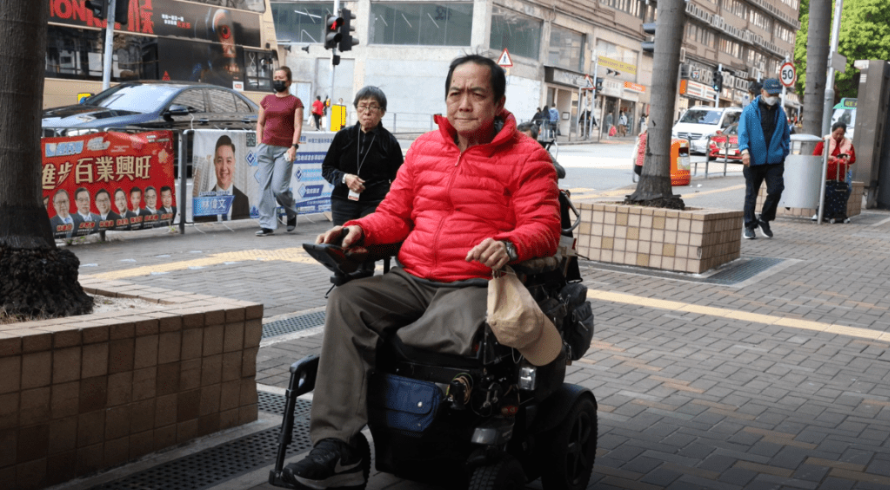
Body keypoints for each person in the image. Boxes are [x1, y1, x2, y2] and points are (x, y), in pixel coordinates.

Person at [282, 54, 560, 490]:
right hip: (414, 279)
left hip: (475, 282)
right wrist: (359, 229)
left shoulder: (528, 157)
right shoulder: (425, 149)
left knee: (425, 335)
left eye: (477, 94)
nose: (463, 104)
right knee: (348, 301)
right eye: (455, 93)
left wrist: (509, 244)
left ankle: (439, 432)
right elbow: (394, 213)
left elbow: (544, 227)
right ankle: (339, 447)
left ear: (499, 103)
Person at [321, 85, 404, 270]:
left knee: (364, 251)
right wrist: (345, 178)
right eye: (362, 106)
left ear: (382, 112)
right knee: (342, 247)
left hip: (374, 203)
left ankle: (363, 281)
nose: (367, 111)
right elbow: (327, 168)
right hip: (343, 200)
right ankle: (343, 281)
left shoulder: (389, 142)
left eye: (373, 106)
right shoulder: (343, 136)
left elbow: (399, 179)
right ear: (356, 109)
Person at [738, 78, 791, 239]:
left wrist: (783, 152)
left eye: (776, 94)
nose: (773, 97)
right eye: (770, 94)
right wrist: (744, 151)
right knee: (751, 194)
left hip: (774, 160)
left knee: (776, 190)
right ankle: (749, 225)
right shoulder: (749, 111)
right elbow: (743, 133)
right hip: (753, 159)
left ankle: (764, 218)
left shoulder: (780, 113)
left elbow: (786, 135)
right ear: (762, 92)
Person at [254, 66, 303, 236]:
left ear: (289, 81)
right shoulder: (266, 99)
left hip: (285, 150)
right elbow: (260, 123)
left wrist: (294, 146)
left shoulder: (295, 102)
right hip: (266, 148)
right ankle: (267, 225)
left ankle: (291, 210)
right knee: (264, 188)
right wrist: (260, 142)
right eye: (275, 77)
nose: (277, 81)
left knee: (279, 188)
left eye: (281, 78)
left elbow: (298, 126)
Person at [196, 135, 251, 223]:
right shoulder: (203, 201)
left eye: (228, 161)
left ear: (234, 163)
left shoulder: (243, 200)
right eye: (220, 161)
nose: (224, 168)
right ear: (214, 162)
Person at [812, 121, 856, 220]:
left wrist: (846, 158)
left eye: (841, 134)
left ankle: (839, 212)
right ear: (832, 131)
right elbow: (815, 155)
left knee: (847, 189)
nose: (839, 136)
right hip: (826, 171)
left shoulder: (849, 143)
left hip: (842, 172)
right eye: (837, 133)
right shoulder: (825, 140)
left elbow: (853, 159)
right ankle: (820, 213)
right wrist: (829, 157)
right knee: (823, 190)